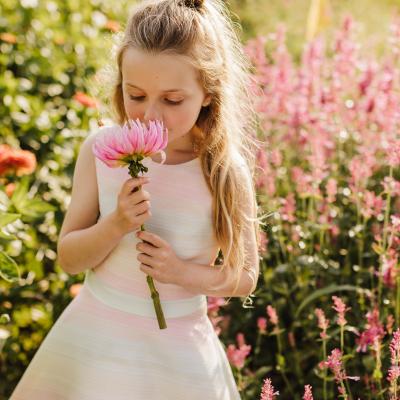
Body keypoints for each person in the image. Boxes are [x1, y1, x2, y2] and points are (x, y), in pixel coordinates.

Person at [10, 0, 263, 398]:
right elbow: (69, 258)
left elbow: (244, 277)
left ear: (208, 94)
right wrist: (116, 225)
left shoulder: (222, 172)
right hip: (94, 339)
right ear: (120, 87)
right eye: (137, 95)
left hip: (178, 351)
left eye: (173, 100)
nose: (151, 115)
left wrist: (180, 272)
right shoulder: (100, 151)